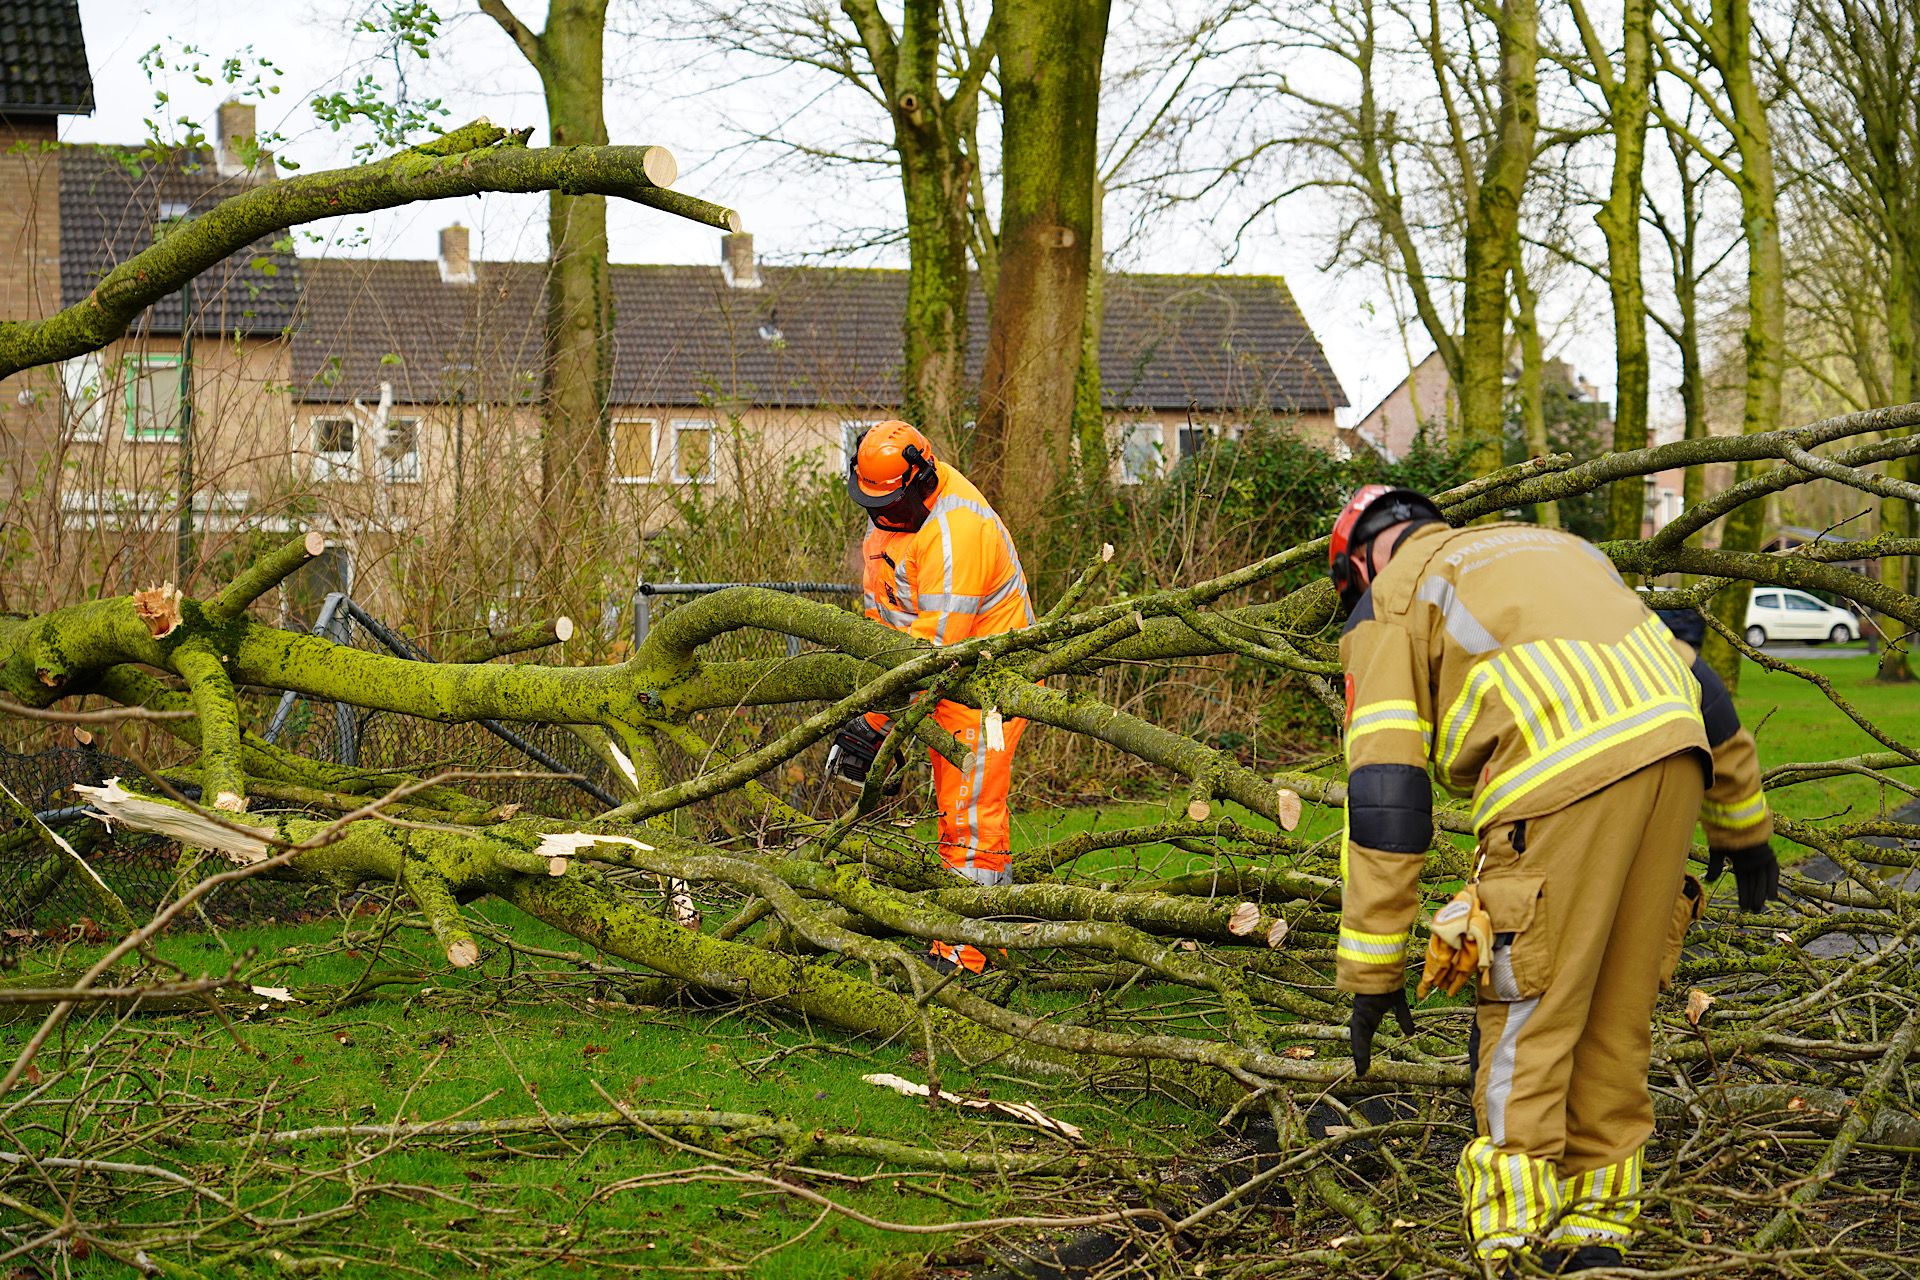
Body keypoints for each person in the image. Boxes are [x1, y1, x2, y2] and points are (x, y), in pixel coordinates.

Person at [1328, 485, 1777, 1273]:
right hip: (1676, 755)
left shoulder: (1390, 602)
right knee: (1615, 1008)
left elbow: (1387, 792)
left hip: (1557, 776)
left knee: (1528, 1014)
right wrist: (1742, 826)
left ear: (1361, 563)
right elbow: (1701, 684)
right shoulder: (1560, 551)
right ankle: (1593, 1234)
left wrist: (1373, 966)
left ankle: (1513, 1243)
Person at [826, 420, 1035, 973]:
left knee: (969, 814)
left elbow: (934, 650)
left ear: (920, 480)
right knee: (961, 811)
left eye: (893, 503)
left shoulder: (955, 531)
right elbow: (883, 630)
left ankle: (966, 957)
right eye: (875, 505)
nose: (883, 516)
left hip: (991, 683)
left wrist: (877, 720)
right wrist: (876, 713)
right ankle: (991, 932)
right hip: (942, 679)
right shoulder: (889, 526)